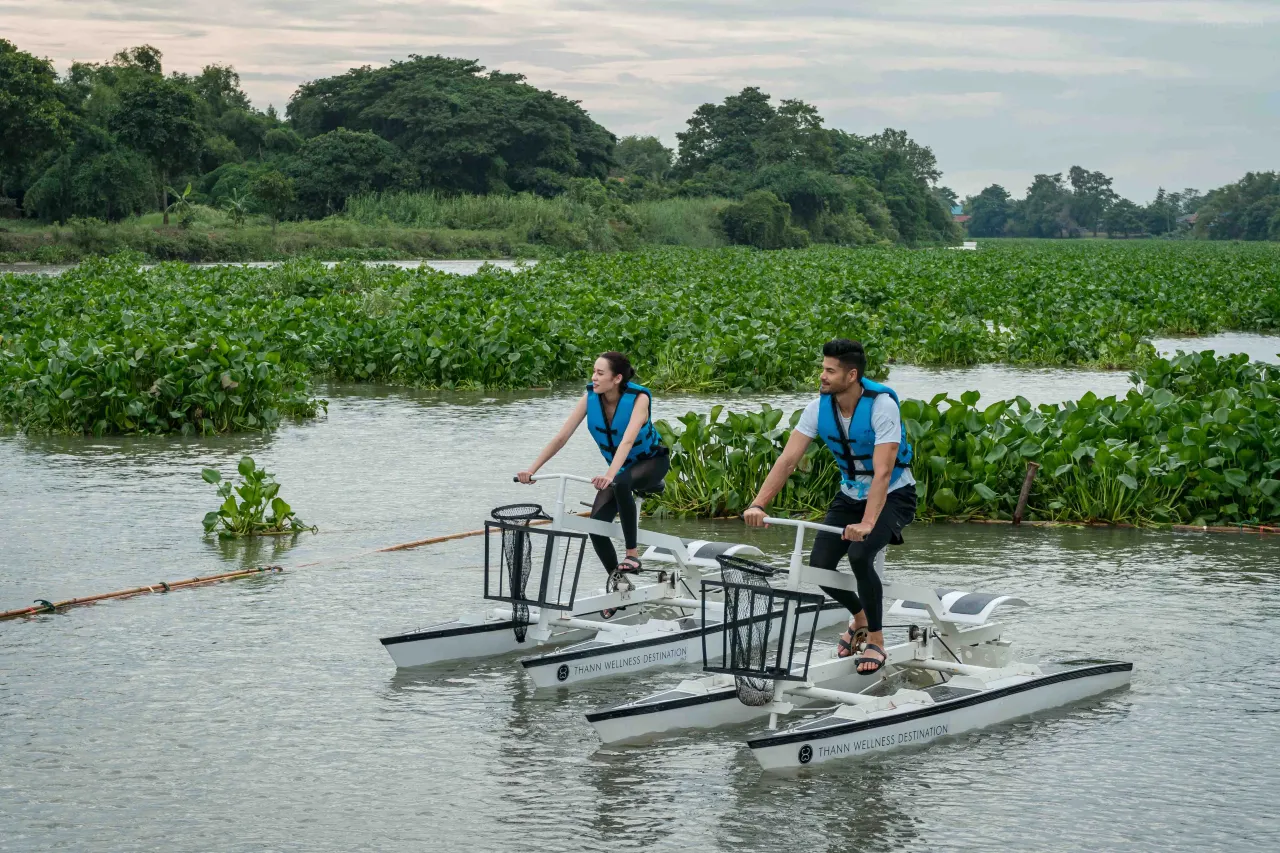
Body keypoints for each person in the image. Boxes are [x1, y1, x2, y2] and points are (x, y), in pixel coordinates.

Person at [743, 339, 917, 675]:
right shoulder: (817, 408)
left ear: (851, 375)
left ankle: (877, 641)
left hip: (895, 495)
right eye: (823, 368)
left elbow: (883, 472)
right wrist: (758, 503)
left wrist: (867, 523)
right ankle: (861, 618)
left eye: (829, 370)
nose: (822, 376)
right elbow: (788, 459)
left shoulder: (882, 406)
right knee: (820, 564)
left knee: (859, 555)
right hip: (850, 495)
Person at [517, 352, 669, 615]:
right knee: (596, 526)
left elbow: (627, 441)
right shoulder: (590, 398)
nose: (593, 377)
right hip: (620, 469)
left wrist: (610, 475)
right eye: (593, 371)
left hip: (651, 463)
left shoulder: (638, 399)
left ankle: (632, 555)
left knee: (621, 482)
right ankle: (619, 585)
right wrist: (531, 470)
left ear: (617, 378)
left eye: (600, 373)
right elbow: (561, 437)